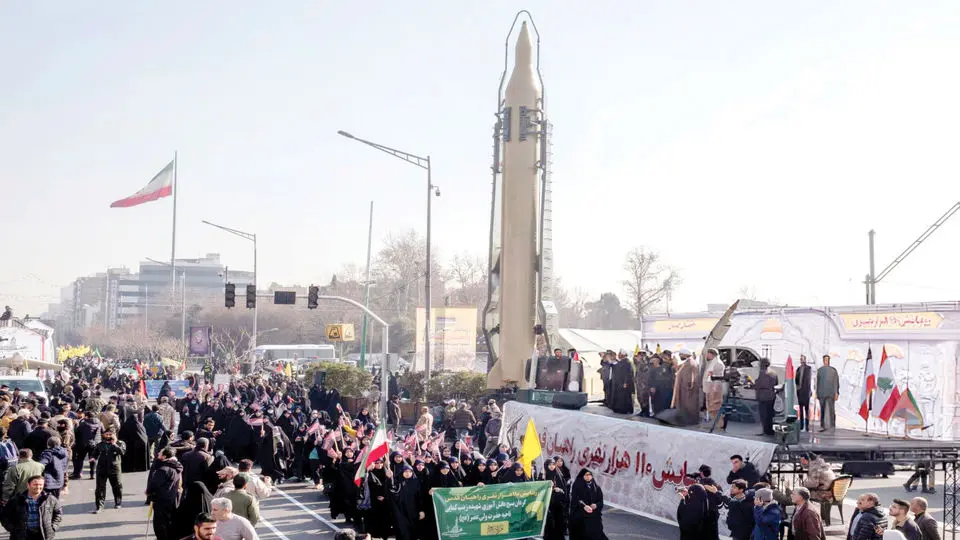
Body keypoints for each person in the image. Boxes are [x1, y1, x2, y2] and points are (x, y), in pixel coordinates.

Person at [1, 475, 62, 540]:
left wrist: (53, 527)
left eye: (41, 485)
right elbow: (4, 516)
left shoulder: (50, 499)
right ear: (28, 485)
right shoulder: (17, 500)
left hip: (43, 535)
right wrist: (12, 529)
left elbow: (58, 513)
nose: (38, 487)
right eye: (35, 484)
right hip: (21, 536)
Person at [146, 447, 182, 540]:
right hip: (172, 497)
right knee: (169, 520)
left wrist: (148, 492)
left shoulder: (163, 469)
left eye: (160, 453)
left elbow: (154, 484)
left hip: (161, 499)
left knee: (160, 522)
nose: (158, 454)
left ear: (164, 456)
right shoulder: (176, 466)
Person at [91, 429, 125, 513]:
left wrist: (114, 444)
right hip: (102, 468)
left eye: (110, 434)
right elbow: (95, 453)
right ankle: (99, 506)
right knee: (100, 488)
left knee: (117, 486)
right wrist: (93, 458)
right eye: (107, 434)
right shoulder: (100, 444)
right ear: (103, 435)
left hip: (114, 468)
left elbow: (122, 452)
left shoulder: (120, 443)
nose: (108, 436)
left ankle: (118, 502)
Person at [568, 469, 607, 540]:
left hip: (593, 517)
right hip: (580, 517)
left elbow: (600, 500)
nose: (588, 477)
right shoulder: (577, 485)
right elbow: (576, 499)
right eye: (586, 475)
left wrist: (596, 505)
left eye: (590, 475)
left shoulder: (596, 487)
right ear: (582, 476)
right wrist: (584, 506)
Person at [801, 452, 836, 524]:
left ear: (807, 459)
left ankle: (806, 517)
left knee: (801, 494)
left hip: (824, 494)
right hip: (832, 492)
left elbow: (813, 484)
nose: (802, 462)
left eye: (802, 460)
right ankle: (823, 517)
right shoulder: (823, 464)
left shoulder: (815, 467)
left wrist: (803, 484)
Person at [670, 349, 700, 425]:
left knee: (689, 406)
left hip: (687, 390)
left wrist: (687, 388)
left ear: (685, 355)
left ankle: (689, 421)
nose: (680, 356)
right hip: (684, 389)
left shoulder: (690, 363)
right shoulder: (687, 362)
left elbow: (691, 378)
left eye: (681, 355)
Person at [754, 358, 778, 436]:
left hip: (763, 396)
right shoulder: (773, 373)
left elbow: (759, 384)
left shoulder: (762, 373)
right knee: (770, 414)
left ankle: (765, 430)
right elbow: (776, 384)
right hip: (771, 395)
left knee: (763, 414)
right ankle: (770, 430)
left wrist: (754, 384)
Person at [701, 348, 725, 424]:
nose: (707, 355)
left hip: (714, 388)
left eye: (708, 354)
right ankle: (713, 421)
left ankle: (719, 423)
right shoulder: (712, 362)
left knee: (715, 406)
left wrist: (714, 389)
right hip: (710, 387)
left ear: (712, 354)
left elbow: (717, 378)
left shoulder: (718, 364)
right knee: (711, 406)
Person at [817, 355, 840, 432]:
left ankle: (833, 425)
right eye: (825, 360)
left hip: (831, 393)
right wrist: (817, 393)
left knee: (832, 409)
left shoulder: (833, 370)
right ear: (823, 361)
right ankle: (822, 425)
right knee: (822, 410)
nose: (827, 361)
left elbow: (836, 382)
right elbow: (817, 382)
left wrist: (836, 392)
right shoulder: (820, 370)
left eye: (828, 360)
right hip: (821, 393)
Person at [795, 355, 813, 431]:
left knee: (806, 409)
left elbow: (809, 380)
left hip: (806, 391)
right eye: (801, 359)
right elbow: (796, 379)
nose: (802, 360)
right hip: (800, 391)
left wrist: (810, 390)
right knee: (801, 409)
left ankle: (807, 425)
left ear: (805, 360)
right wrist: (797, 387)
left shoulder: (809, 368)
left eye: (803, 359)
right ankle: (801, 425)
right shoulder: (798, 369)